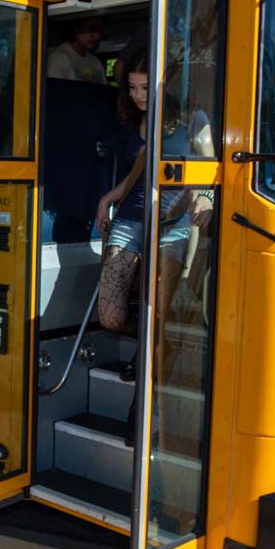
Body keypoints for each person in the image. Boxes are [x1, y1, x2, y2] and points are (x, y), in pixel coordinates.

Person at [92, 49, 213, 440]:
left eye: (145, 88)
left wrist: (206, 197)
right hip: (131, 219)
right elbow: (138, 171)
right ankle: (144, 347)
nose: (138, 96)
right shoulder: (136, 119)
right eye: (132, 88)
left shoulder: (193, 119)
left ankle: (141, 410)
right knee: (110, 315)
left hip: (173, 225)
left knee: (159, 316)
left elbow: (210, 169)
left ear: (165, 83)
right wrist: (108, 197)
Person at [47, 16, 107, 84]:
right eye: (91, 29)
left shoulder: (96, 62)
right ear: (76, 28)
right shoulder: (58, 58)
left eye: (99, 31)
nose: (96, 36)